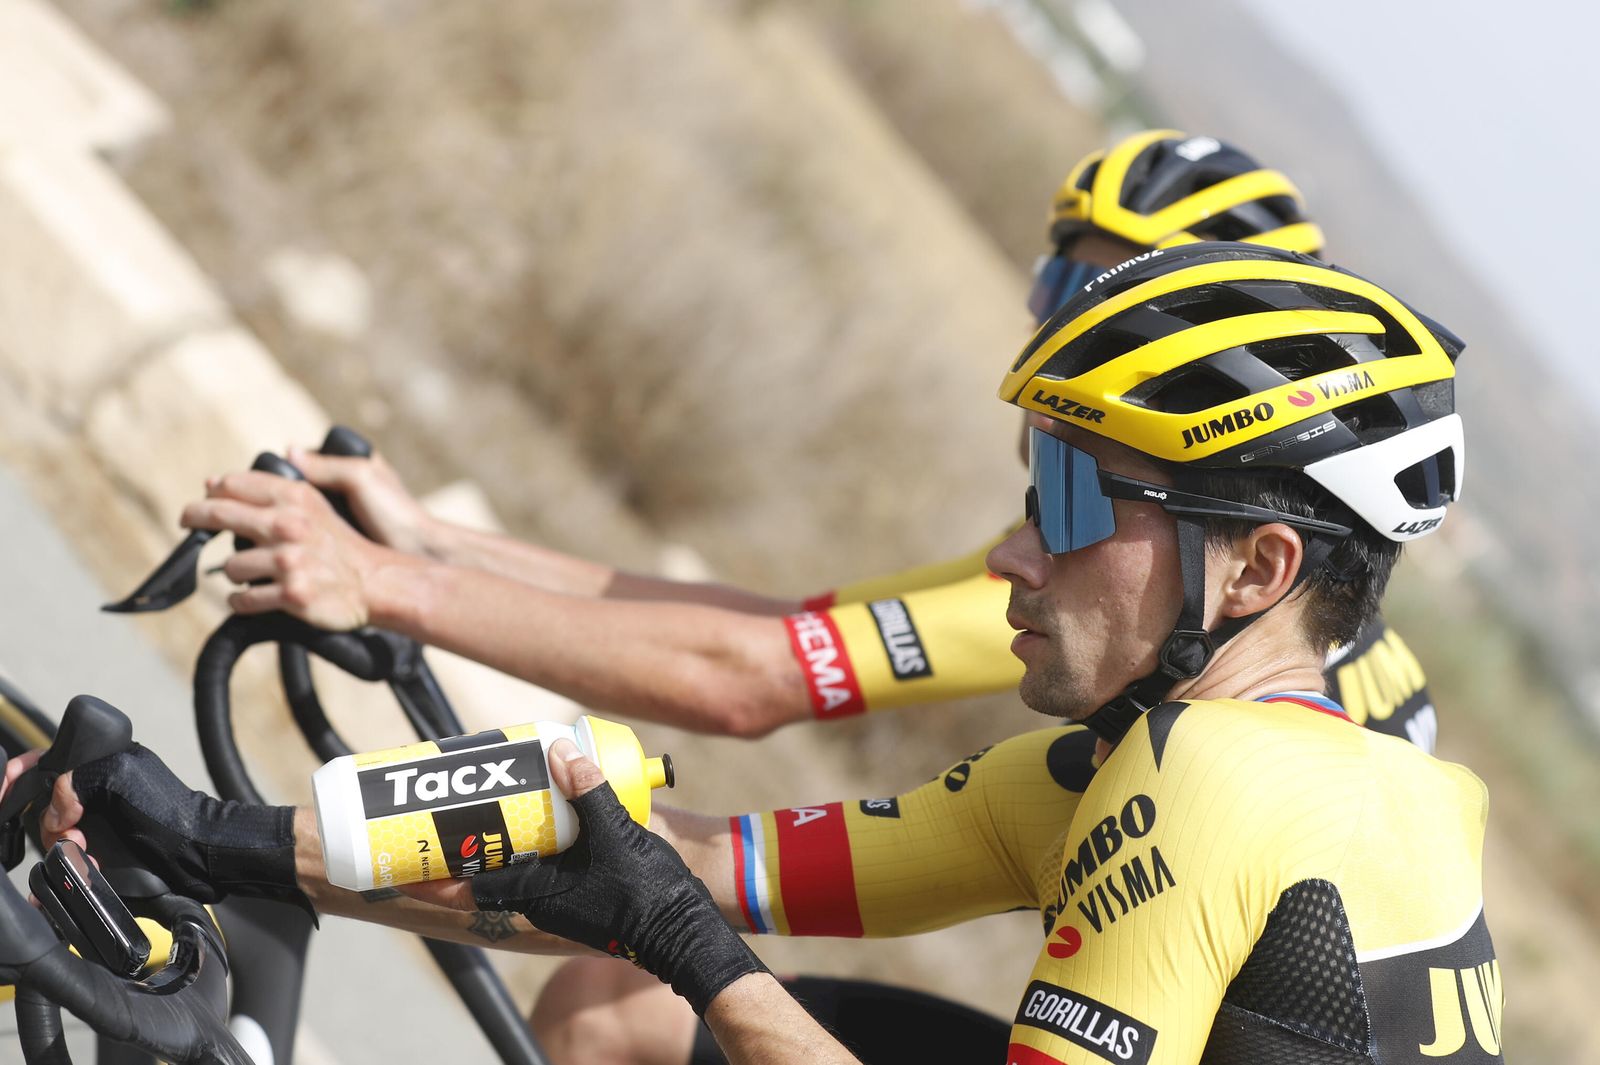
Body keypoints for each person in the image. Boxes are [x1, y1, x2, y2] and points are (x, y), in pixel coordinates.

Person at [10, 244, 1501, 1063]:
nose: (1011, 555)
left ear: (1261, 567)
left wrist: (702, 958)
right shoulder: (1190, 766)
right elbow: (661, 864)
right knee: (629, 1000)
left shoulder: (1221, 783)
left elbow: (681, 914)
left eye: (1067, 499)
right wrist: (219, 841)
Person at [190, 129, 1434, 753]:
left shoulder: (1147, 565)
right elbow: (789, 622)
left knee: (620, 998)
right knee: (614, 983)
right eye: (1061, 282)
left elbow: (753, 679)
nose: (1059, 327)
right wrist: (429, 542)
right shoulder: (1126, 530)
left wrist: (385, 587)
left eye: (1104, 302)